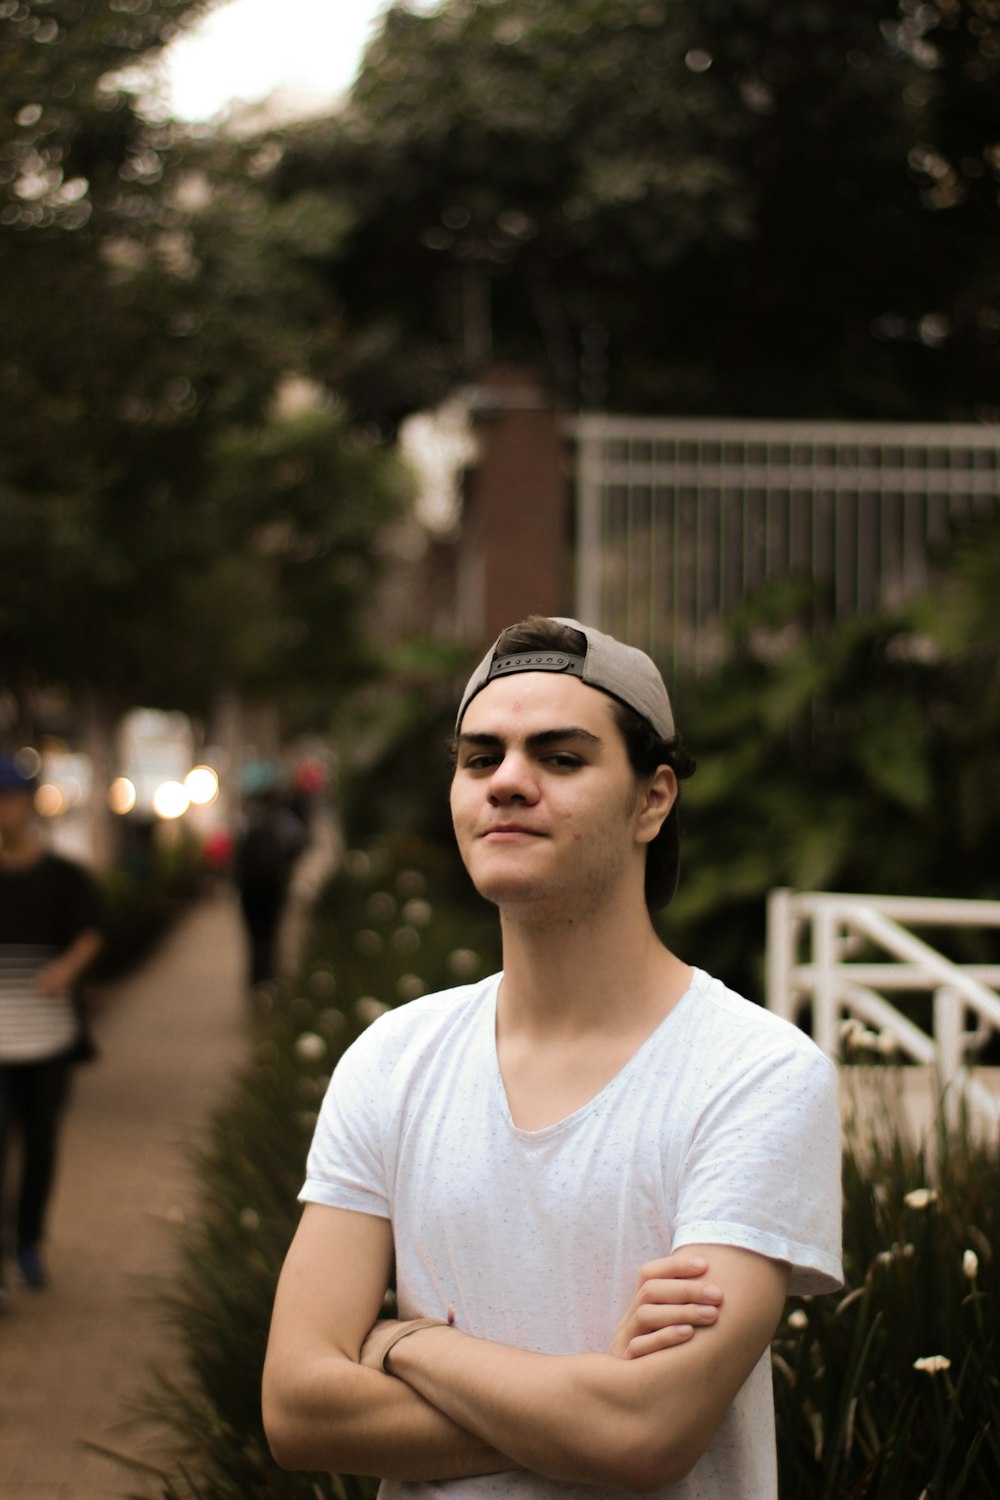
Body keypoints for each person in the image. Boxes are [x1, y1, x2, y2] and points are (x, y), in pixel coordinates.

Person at [262, 616, 843, 1499]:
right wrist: (584, 1397)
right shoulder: (393, 1058)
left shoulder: (755, 1076)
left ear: (652, 800)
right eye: (479, 758)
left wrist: (410, 1344)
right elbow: (298, 1410)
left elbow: (643, 1435)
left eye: (561, 758)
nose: (508, 784)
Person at [0, 752, 104, 1306]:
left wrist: (65, 970)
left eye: (10, 799)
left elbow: (90, 931)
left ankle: (29, 1243)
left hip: (47, 1038)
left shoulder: (64, 876)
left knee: (40, 1146)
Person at [233, 787, 306, 991]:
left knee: (254, 938)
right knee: (271, 935)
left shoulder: (245, 821)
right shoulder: (283, 821)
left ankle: (255, 981)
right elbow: (299, 842)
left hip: (249, 891)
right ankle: (269, 980)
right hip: (273, 890)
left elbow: (235, 853)